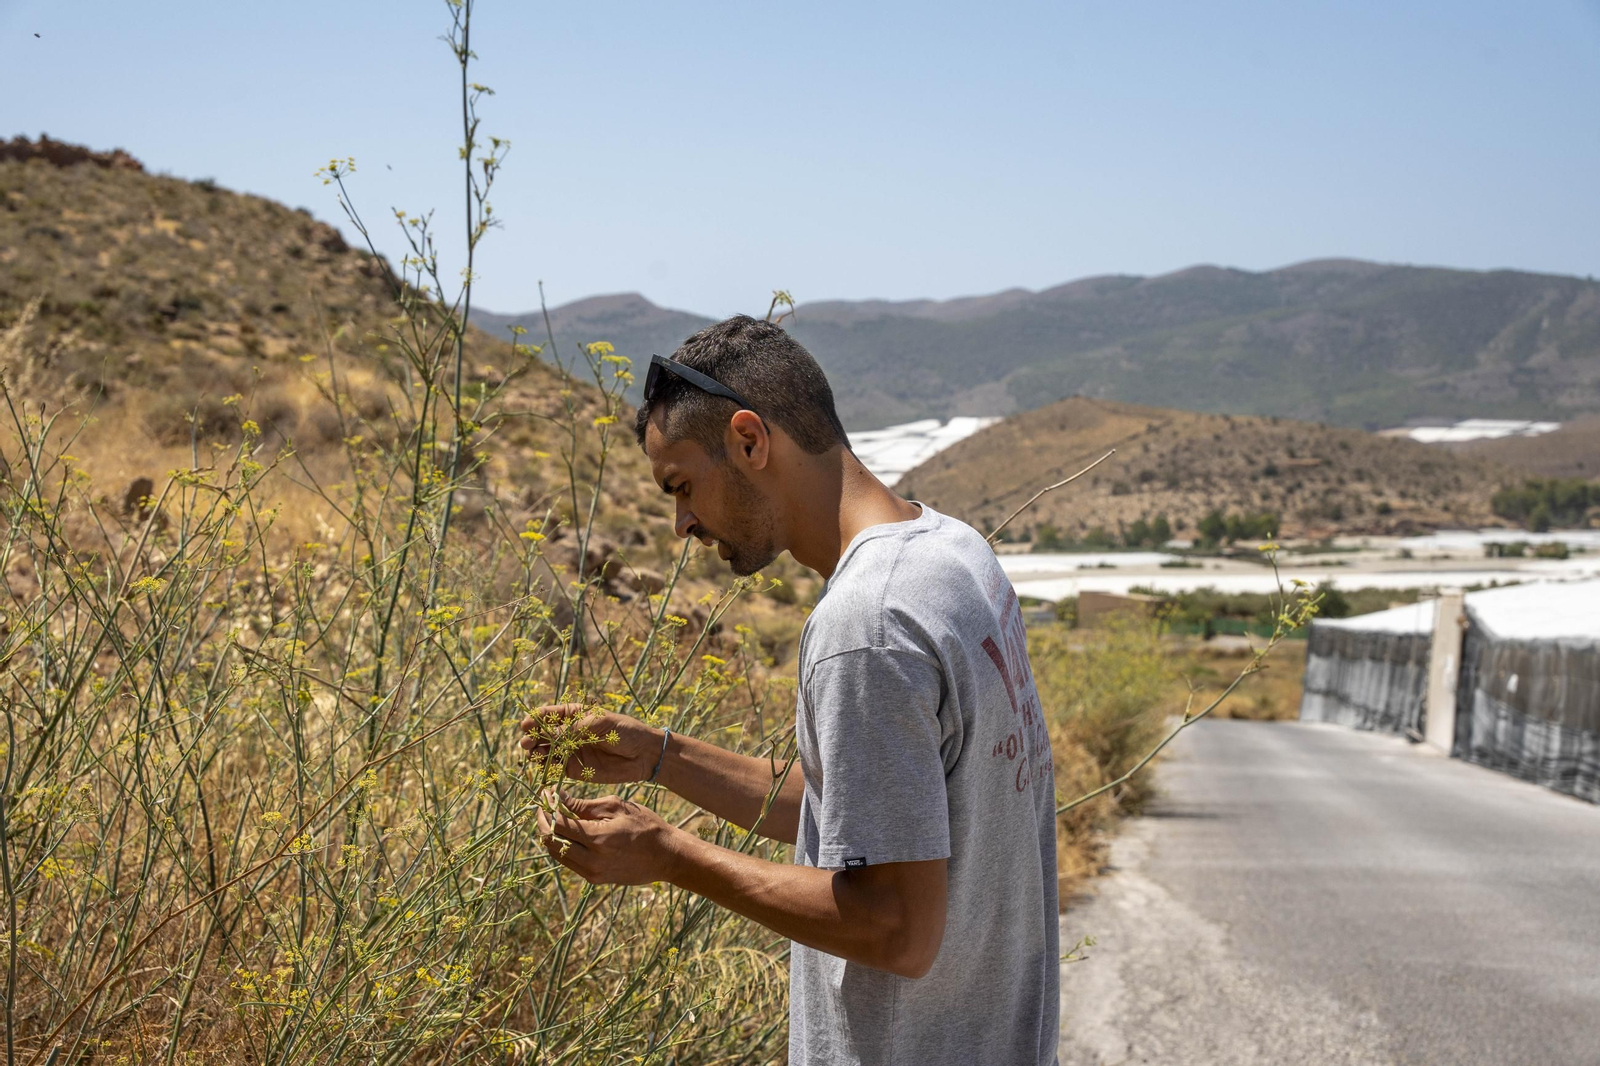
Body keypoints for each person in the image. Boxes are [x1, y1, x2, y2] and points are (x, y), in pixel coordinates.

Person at [521, 315, 1059, 1065]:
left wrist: (672, 856)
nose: (681, 526)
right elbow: (869, 812)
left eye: (681, 488)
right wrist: (660, 756)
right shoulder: (953, 553)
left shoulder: (866, 626)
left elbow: (897, 927)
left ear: (750, 440)